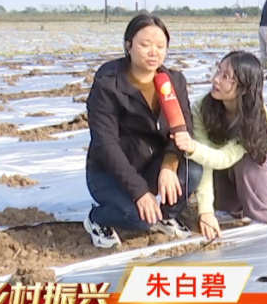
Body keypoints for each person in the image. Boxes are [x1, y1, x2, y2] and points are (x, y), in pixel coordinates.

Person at [83, 13, 203, 248]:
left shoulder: (173, 82)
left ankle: (166, 216)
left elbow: (183, 128)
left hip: (153, 163)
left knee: (193, 169)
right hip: (110, 172)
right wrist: (140, 192)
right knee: (139, 219)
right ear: (129, 45)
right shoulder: (108, 83)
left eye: (160, 46)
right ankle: (96, 219)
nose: (153, 52)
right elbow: (106, 145)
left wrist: (169, 165)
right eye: (145, 45)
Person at [172, 51, 267, 240]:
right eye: (218, 71)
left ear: (244, 87)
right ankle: (231, 208)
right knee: (201, 164)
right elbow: (207, 162)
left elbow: (225, 158)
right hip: (228, 171)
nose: (216, 79)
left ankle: (262, 215)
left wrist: (192, 148)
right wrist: (206, 211)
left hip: (266, 170)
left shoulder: (257, 114)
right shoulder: (202, 107)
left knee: (246, 161)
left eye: (225, 77)